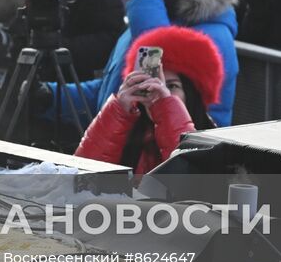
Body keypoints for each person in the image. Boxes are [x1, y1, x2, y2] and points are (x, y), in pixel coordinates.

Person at [42, 0, 241, 127]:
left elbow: (156, 87)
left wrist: (147, 5)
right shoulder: (147, 18)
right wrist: (51, 96)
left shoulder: (213, 35)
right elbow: (111, 91)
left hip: (178, 153)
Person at [73, 26, 222, 179]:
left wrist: (166, 106)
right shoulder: (127, 130)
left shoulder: (215, 142)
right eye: (151, 83)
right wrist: (117, 111)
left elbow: (193, 181)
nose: (158, 91)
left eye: (171, 86)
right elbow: (81, 178)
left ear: (192, 95)